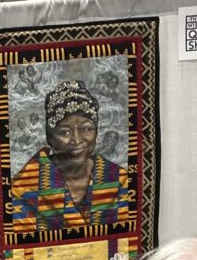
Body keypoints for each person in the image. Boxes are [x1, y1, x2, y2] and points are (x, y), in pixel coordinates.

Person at [10, 78, 129, 235]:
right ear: (50, 137)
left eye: (86, 129)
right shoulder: (24, 187)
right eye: (64, 132)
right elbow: (20, 253)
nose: (77, 140)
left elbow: (126, 245)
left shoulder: (118, 180)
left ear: (96, 131)